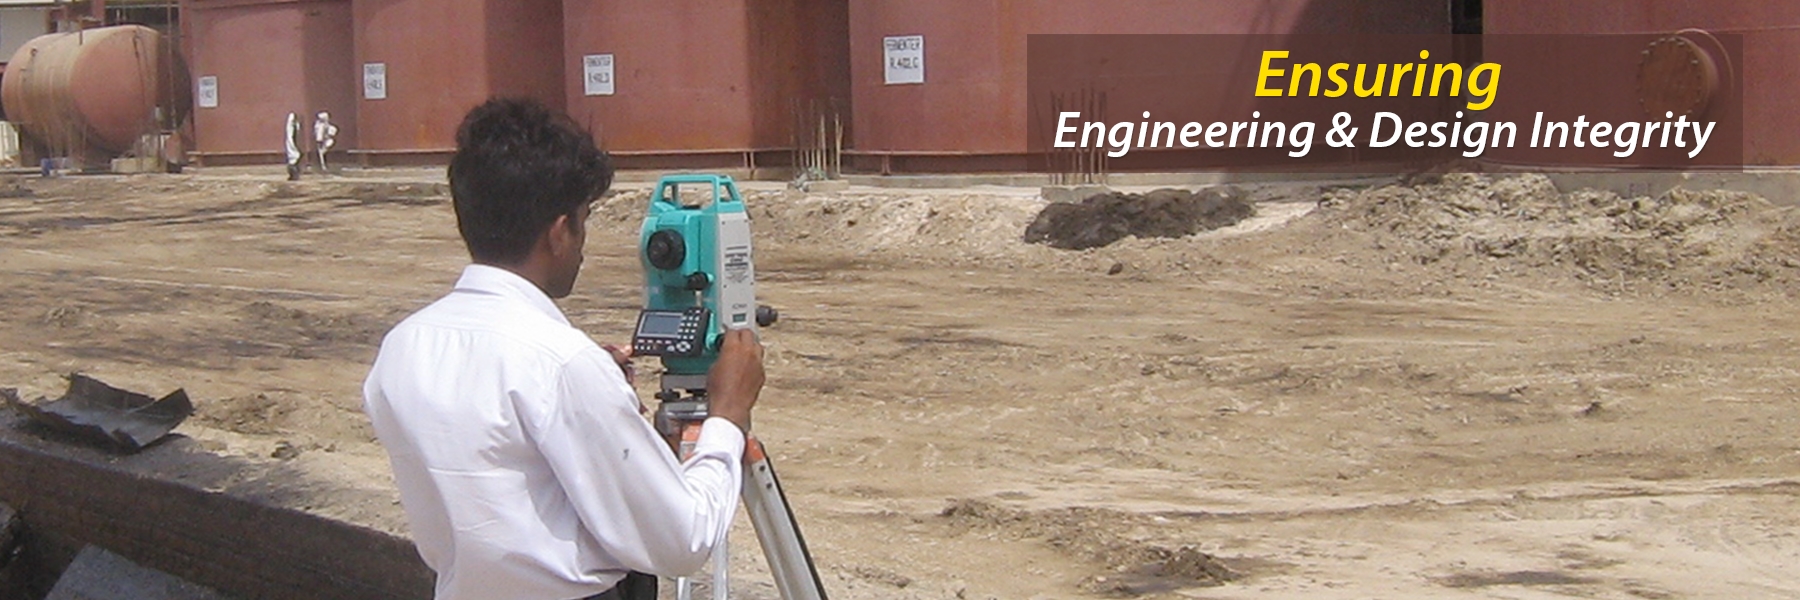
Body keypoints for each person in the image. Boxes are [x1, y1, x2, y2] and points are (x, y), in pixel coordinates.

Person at [362, 98, 765, 600]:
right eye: (582, 220)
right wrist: (726, 416)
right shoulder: (561, 365)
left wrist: (591, 390)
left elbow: (503, 463)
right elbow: (683, 541)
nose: (582, 242)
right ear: (558, 233)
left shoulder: (404, 345)